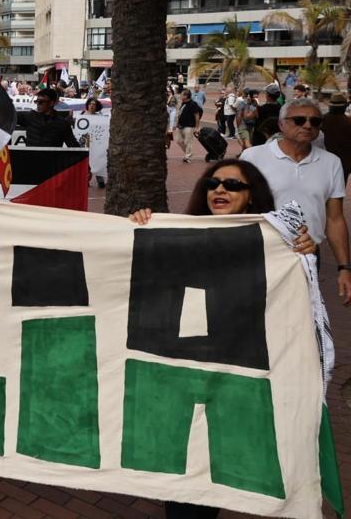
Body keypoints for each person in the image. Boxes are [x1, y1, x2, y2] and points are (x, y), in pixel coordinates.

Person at [129, 159, 316, 519]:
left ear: (251, 197)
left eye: (233, 185)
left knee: (209, 472)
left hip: (234, 378)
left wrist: (305, 254)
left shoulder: (277, 243)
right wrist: (138, 227)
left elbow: (299, 299)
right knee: (183, 475)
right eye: (213, 183)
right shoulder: (175, 233)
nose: (220, 190)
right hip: (180, 375)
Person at [241, 97, 351, 304]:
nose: (308, 125)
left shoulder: (331, 163)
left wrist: (344, 268)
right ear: (282, 124)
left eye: (315, 121)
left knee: (299, 320)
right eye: (299, 120)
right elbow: (237, 208)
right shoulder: (252, 157)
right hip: (260, 253)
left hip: (307, 256)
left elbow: (335, 218)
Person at [174, 90, 204, 163]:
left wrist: (197, 127)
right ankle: (189, 153)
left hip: (189, 126)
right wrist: (177, 124)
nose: (180, 96)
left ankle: (187, 156)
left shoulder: (193, 104)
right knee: (178, 140)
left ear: (186, 96)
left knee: (188, 142)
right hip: (180, 125)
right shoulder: (183, 103)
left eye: (181, 95)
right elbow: (180, 114)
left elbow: (197, 115)